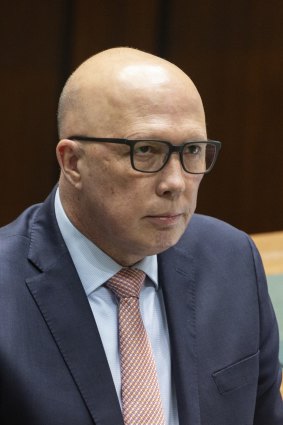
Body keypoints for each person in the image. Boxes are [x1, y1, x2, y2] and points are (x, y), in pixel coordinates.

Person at [0, 47, 282, 425]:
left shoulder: (232, 259)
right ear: (72, 162)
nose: (176, 183)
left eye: (193, 151)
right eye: (146, 151)